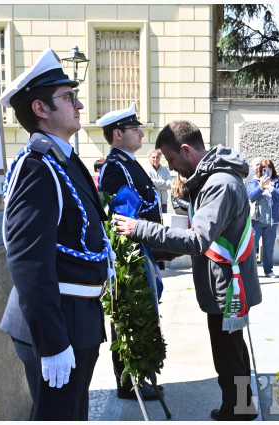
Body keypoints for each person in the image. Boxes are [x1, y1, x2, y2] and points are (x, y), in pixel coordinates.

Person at [111, 120, 261, 421]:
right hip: (223, 281)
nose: (172, 166)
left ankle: (238, 409)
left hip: (227, 286)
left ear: (185, 149)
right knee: (233, 349)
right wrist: (152, 250)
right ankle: (242, 403)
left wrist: (139, 229)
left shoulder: (219, 184)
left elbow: (197, 239)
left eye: (171, 159)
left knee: (228, 352)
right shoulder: (212, 179)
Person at [0, 48, 112, 420]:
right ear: (40, 109)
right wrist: (52, 342)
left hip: (79, 316)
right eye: (68, 98)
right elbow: (28, 262)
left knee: (72, 415)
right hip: (56, 321)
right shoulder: (37, 168)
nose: (79, 105)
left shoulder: (64, 160)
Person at [95, 102, 164, 401]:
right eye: (135, 129)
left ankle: (141, 377)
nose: (141, 133)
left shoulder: (129, 163)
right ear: (117, 134)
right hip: (131, 257)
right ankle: (129, 383)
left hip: (144, 250)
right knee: (130, 317)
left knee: (144, 315)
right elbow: (121, 215)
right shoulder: (115, 167)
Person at [247, 159, 279, 276]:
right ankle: (250, 272)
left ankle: (268, 270)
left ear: (272, 170)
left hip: (272, 221)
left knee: (269, 248)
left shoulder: (277, 181)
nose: (267, 172)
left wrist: (271, 188)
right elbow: (251, 196)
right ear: (260, 170)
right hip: (257, 220)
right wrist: (261, 186)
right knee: (252, 248)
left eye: (269, 169)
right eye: (264, 169)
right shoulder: (254, 181)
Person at [146, 148, 173, 213]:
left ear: (160, 158)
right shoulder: (146, 170)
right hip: (153, 203)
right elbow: (149, 184)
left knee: (163, 222)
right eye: (153, 157)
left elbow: (170, 185)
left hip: (164, 204)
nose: (155, 159)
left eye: (157, 157)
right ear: (149, 158)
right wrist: (163, 181)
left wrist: (155, 184)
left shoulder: (165, 170)